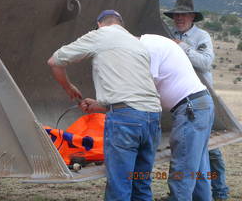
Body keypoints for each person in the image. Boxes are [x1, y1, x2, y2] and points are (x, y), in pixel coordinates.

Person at [83, 34, 215, 200]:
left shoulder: (147, 48)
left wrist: (105, 105)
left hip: (190, 110)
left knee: (182, 174)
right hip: (199, 105)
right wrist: (103, 105)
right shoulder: (154, 41)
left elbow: (143, 91)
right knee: (198, 171)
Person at [47, 10, 162, 201]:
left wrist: (68, 88)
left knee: (120, 186)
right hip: (152, 118)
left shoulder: (100, 35)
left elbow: (54, 61)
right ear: (121, 24)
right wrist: (101, 105)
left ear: (99, 24)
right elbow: (134, 91)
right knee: (140, 184)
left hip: (126, 121)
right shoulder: (137, 44)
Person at [164, 0, 229, 200]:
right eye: (176, 14)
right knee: (190, 149)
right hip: (181, 98)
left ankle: (220, 191)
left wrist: (182, 47)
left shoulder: (202, 37)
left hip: (201, 97)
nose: (179, 18)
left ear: (192, 16)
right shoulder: (169, 34)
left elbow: (205, 62)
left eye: (183, 14)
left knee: (210, 149)